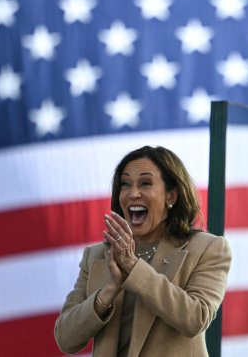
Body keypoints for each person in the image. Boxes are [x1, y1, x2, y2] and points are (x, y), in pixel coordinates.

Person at [55, 145, 232, 356]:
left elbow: (195, 319)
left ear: (171, 196)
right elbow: (65, 339)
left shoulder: (207, 248)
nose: (133, 194)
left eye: (145, 184)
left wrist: (133, 267)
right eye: (125, 184)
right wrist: (109, 290)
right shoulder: (96, 256)